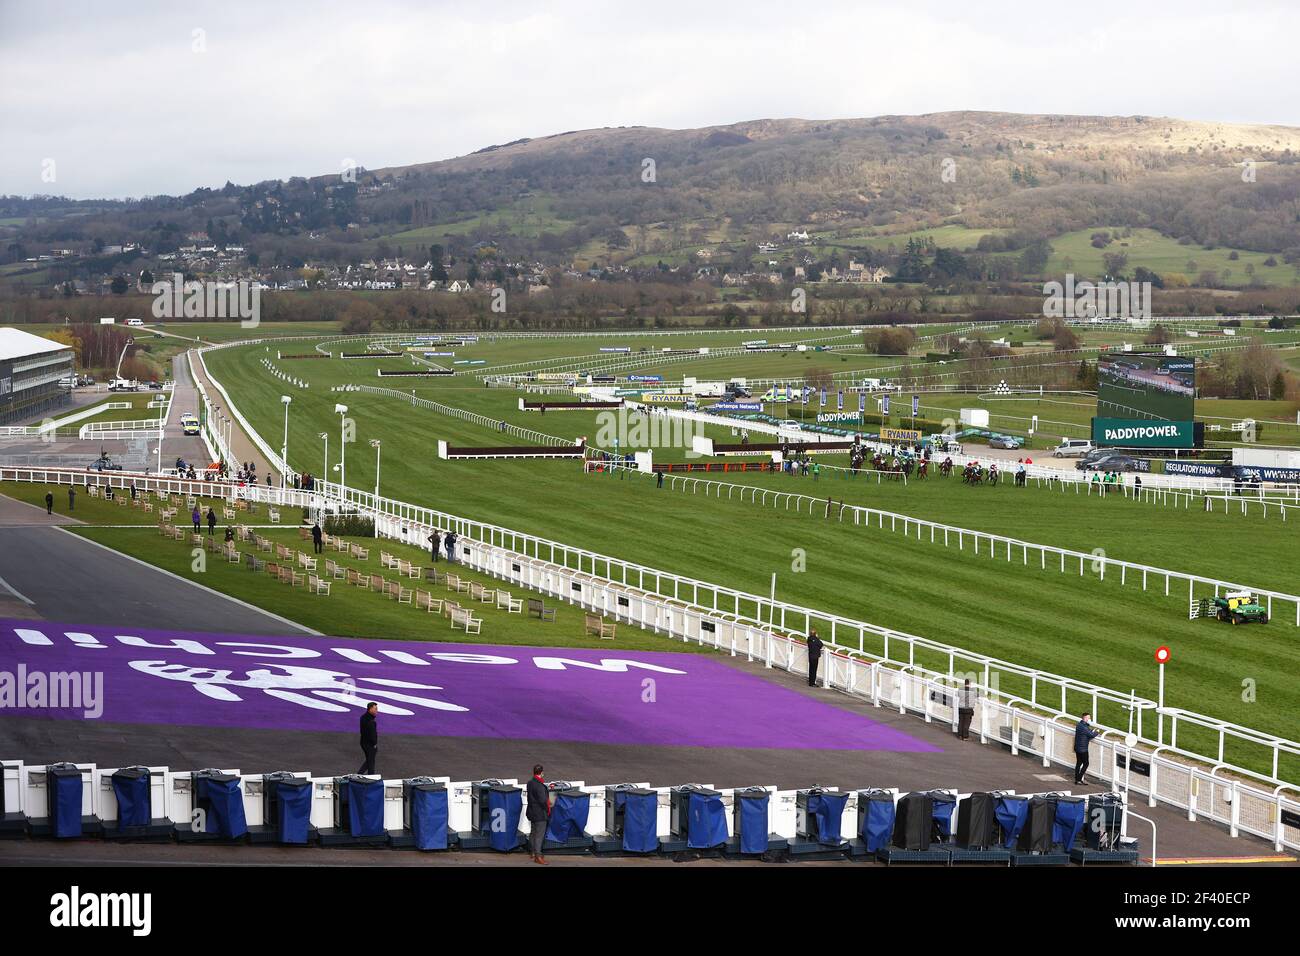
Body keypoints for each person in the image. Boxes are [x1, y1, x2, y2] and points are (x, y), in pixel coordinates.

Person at [526, 764, 551, 864]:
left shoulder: (530, 783)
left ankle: (532, 852)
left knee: (533, 832)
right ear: (542, 773)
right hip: (540, 813)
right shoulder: (540, 786)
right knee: (539, 835)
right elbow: (542, 800)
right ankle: (538, 856)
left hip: (532, 811)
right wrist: (548, 808)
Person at [1074, 713, 1100, 784]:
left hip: (1077, 747)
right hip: (1083, 749)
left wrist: (1091, 731)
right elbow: (1091, 735)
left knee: (1079, 763)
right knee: (1086, 764)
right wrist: (1097, 732)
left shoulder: (1079, 725)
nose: (1090, 719)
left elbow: (1087, 733)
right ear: (1085, 718)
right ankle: (1079, 779)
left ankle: (1077, 779)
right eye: (1089, 718)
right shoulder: (1084, 727)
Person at [358, 702, 379, 775]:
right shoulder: (371, 721)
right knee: (371, 762)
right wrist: (374, 744)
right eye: (375, 709)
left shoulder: (363, 717)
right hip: (369, 745)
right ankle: (371, 777)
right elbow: (372, 734)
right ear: (370, 709)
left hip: (363, 743)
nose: (377, 710)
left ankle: (359, 774)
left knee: (369, 761)